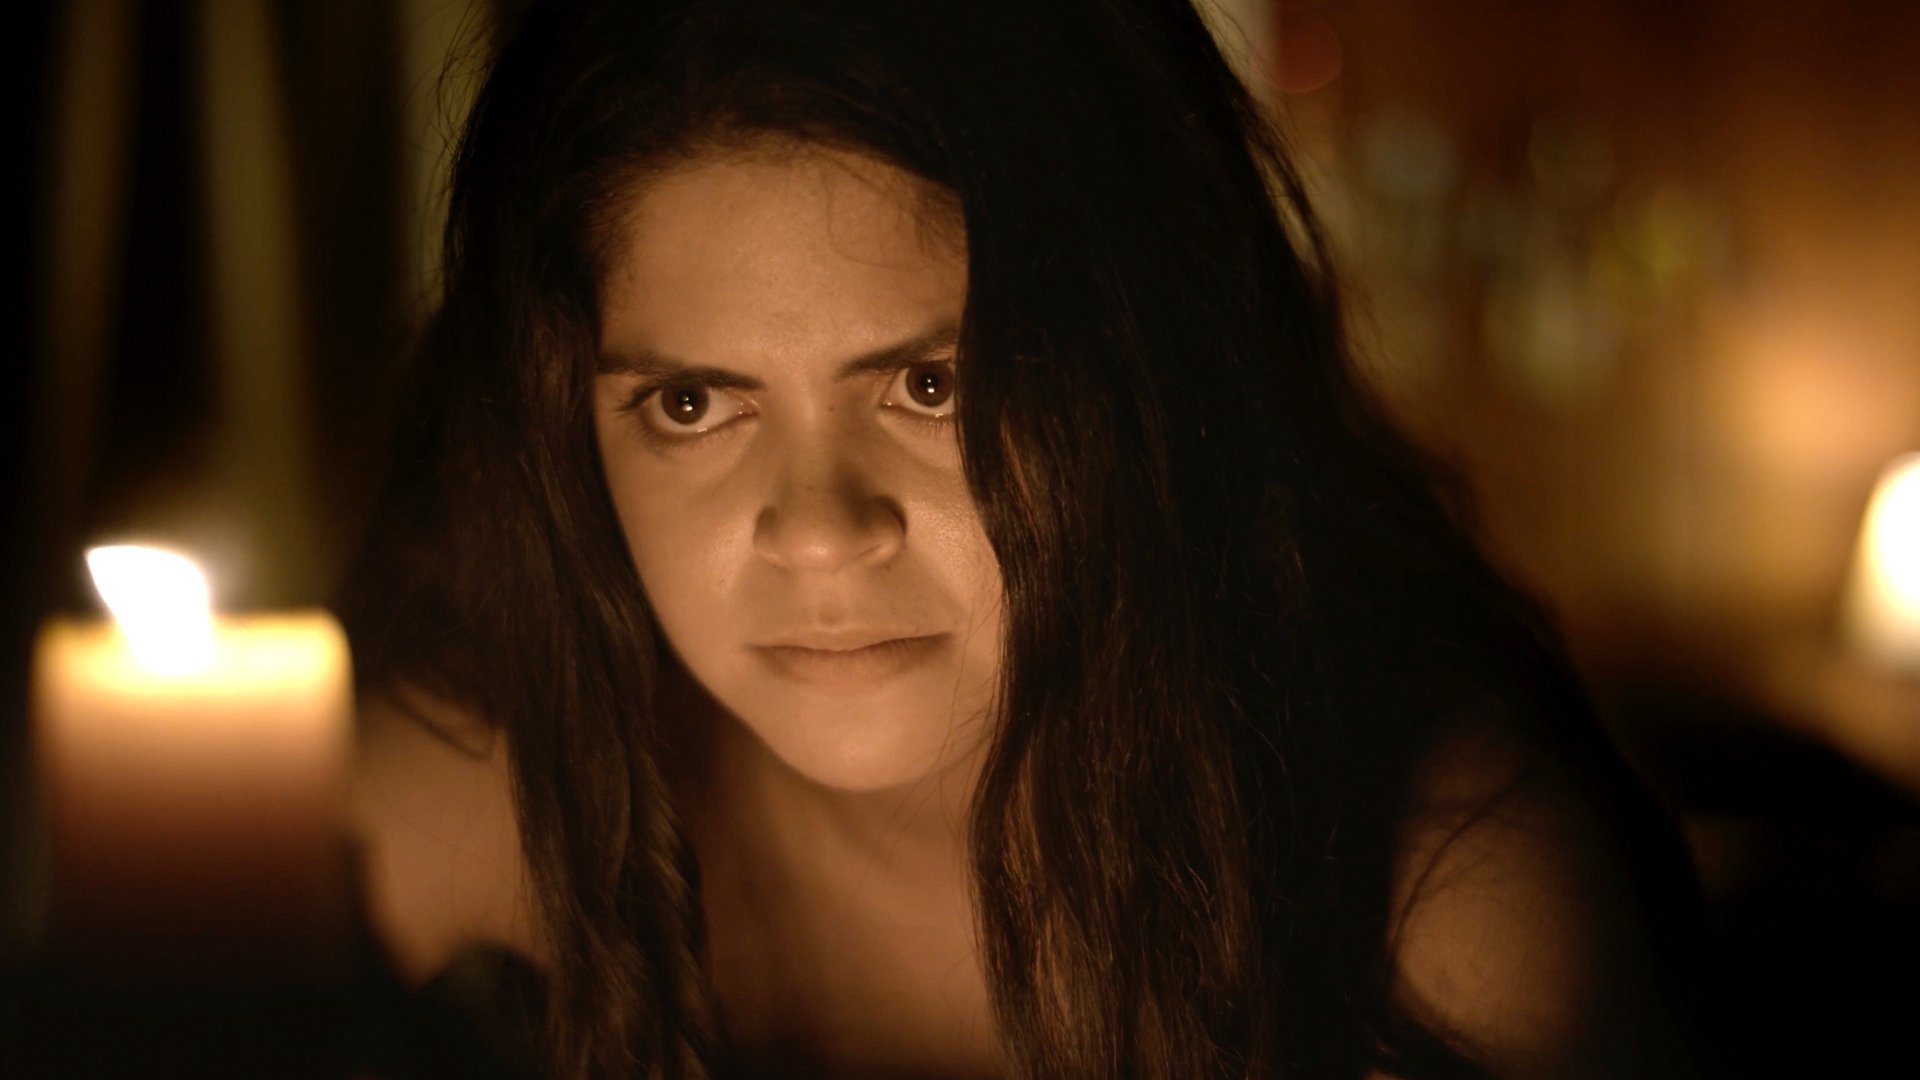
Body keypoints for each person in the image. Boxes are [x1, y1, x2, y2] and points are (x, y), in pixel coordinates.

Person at [340, 1, 1722, 1076]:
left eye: (932, 384)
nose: (818, 533)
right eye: (693, 404)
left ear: (1150, 382)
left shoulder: (1442, 908)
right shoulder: (546, 790)